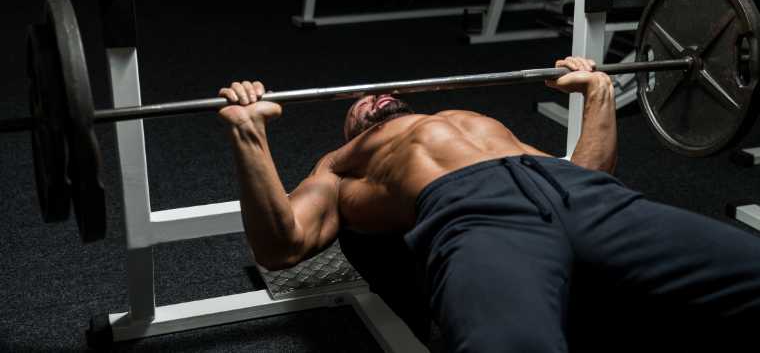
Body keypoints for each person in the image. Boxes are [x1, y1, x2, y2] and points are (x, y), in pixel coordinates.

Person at [217, 57, 760, 352]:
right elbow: (280, 244)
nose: (372, 100)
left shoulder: (474, 121)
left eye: (378, 97)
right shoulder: (339, 165)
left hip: (585, 196)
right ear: (350, 128)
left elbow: (590, 173)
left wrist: (597, 95)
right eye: (359, 107)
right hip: (474, 217)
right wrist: (249, 133)